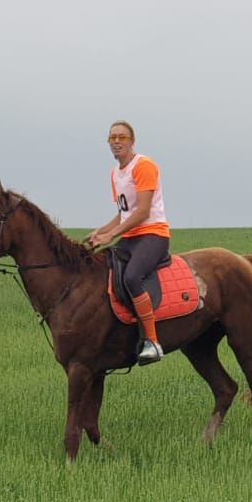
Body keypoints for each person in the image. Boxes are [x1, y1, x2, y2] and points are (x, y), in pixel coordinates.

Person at [83, 120, 170, 364]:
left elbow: (142, 212)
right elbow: (124, 213)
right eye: (112, 138)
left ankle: (152, 341)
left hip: (153, 234)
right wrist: (101, 231)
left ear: (132, 141)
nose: (117, 141)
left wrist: (113, 235)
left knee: (132, 277)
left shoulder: (143, 166)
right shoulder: (115, 174)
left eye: (122, 137)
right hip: (131, 238)